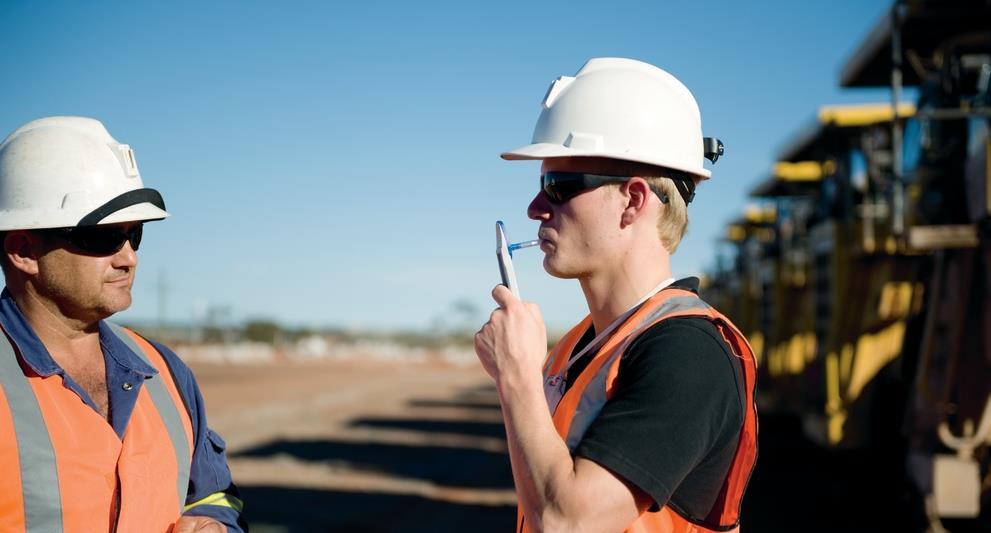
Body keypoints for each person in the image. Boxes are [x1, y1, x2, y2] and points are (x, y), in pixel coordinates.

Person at [474, 57, 758, 533]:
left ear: (633, 200)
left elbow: (567, 523)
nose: (534, 208)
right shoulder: (582, 346)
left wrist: (517, 378)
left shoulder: (689, 353)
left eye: (558, 186)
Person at [0, 116, 246, 532]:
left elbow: (212, 491)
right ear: (23, 250)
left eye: (135, 235)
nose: (129, 257)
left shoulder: (165, 372)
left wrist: (212, 521)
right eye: (102, 237)